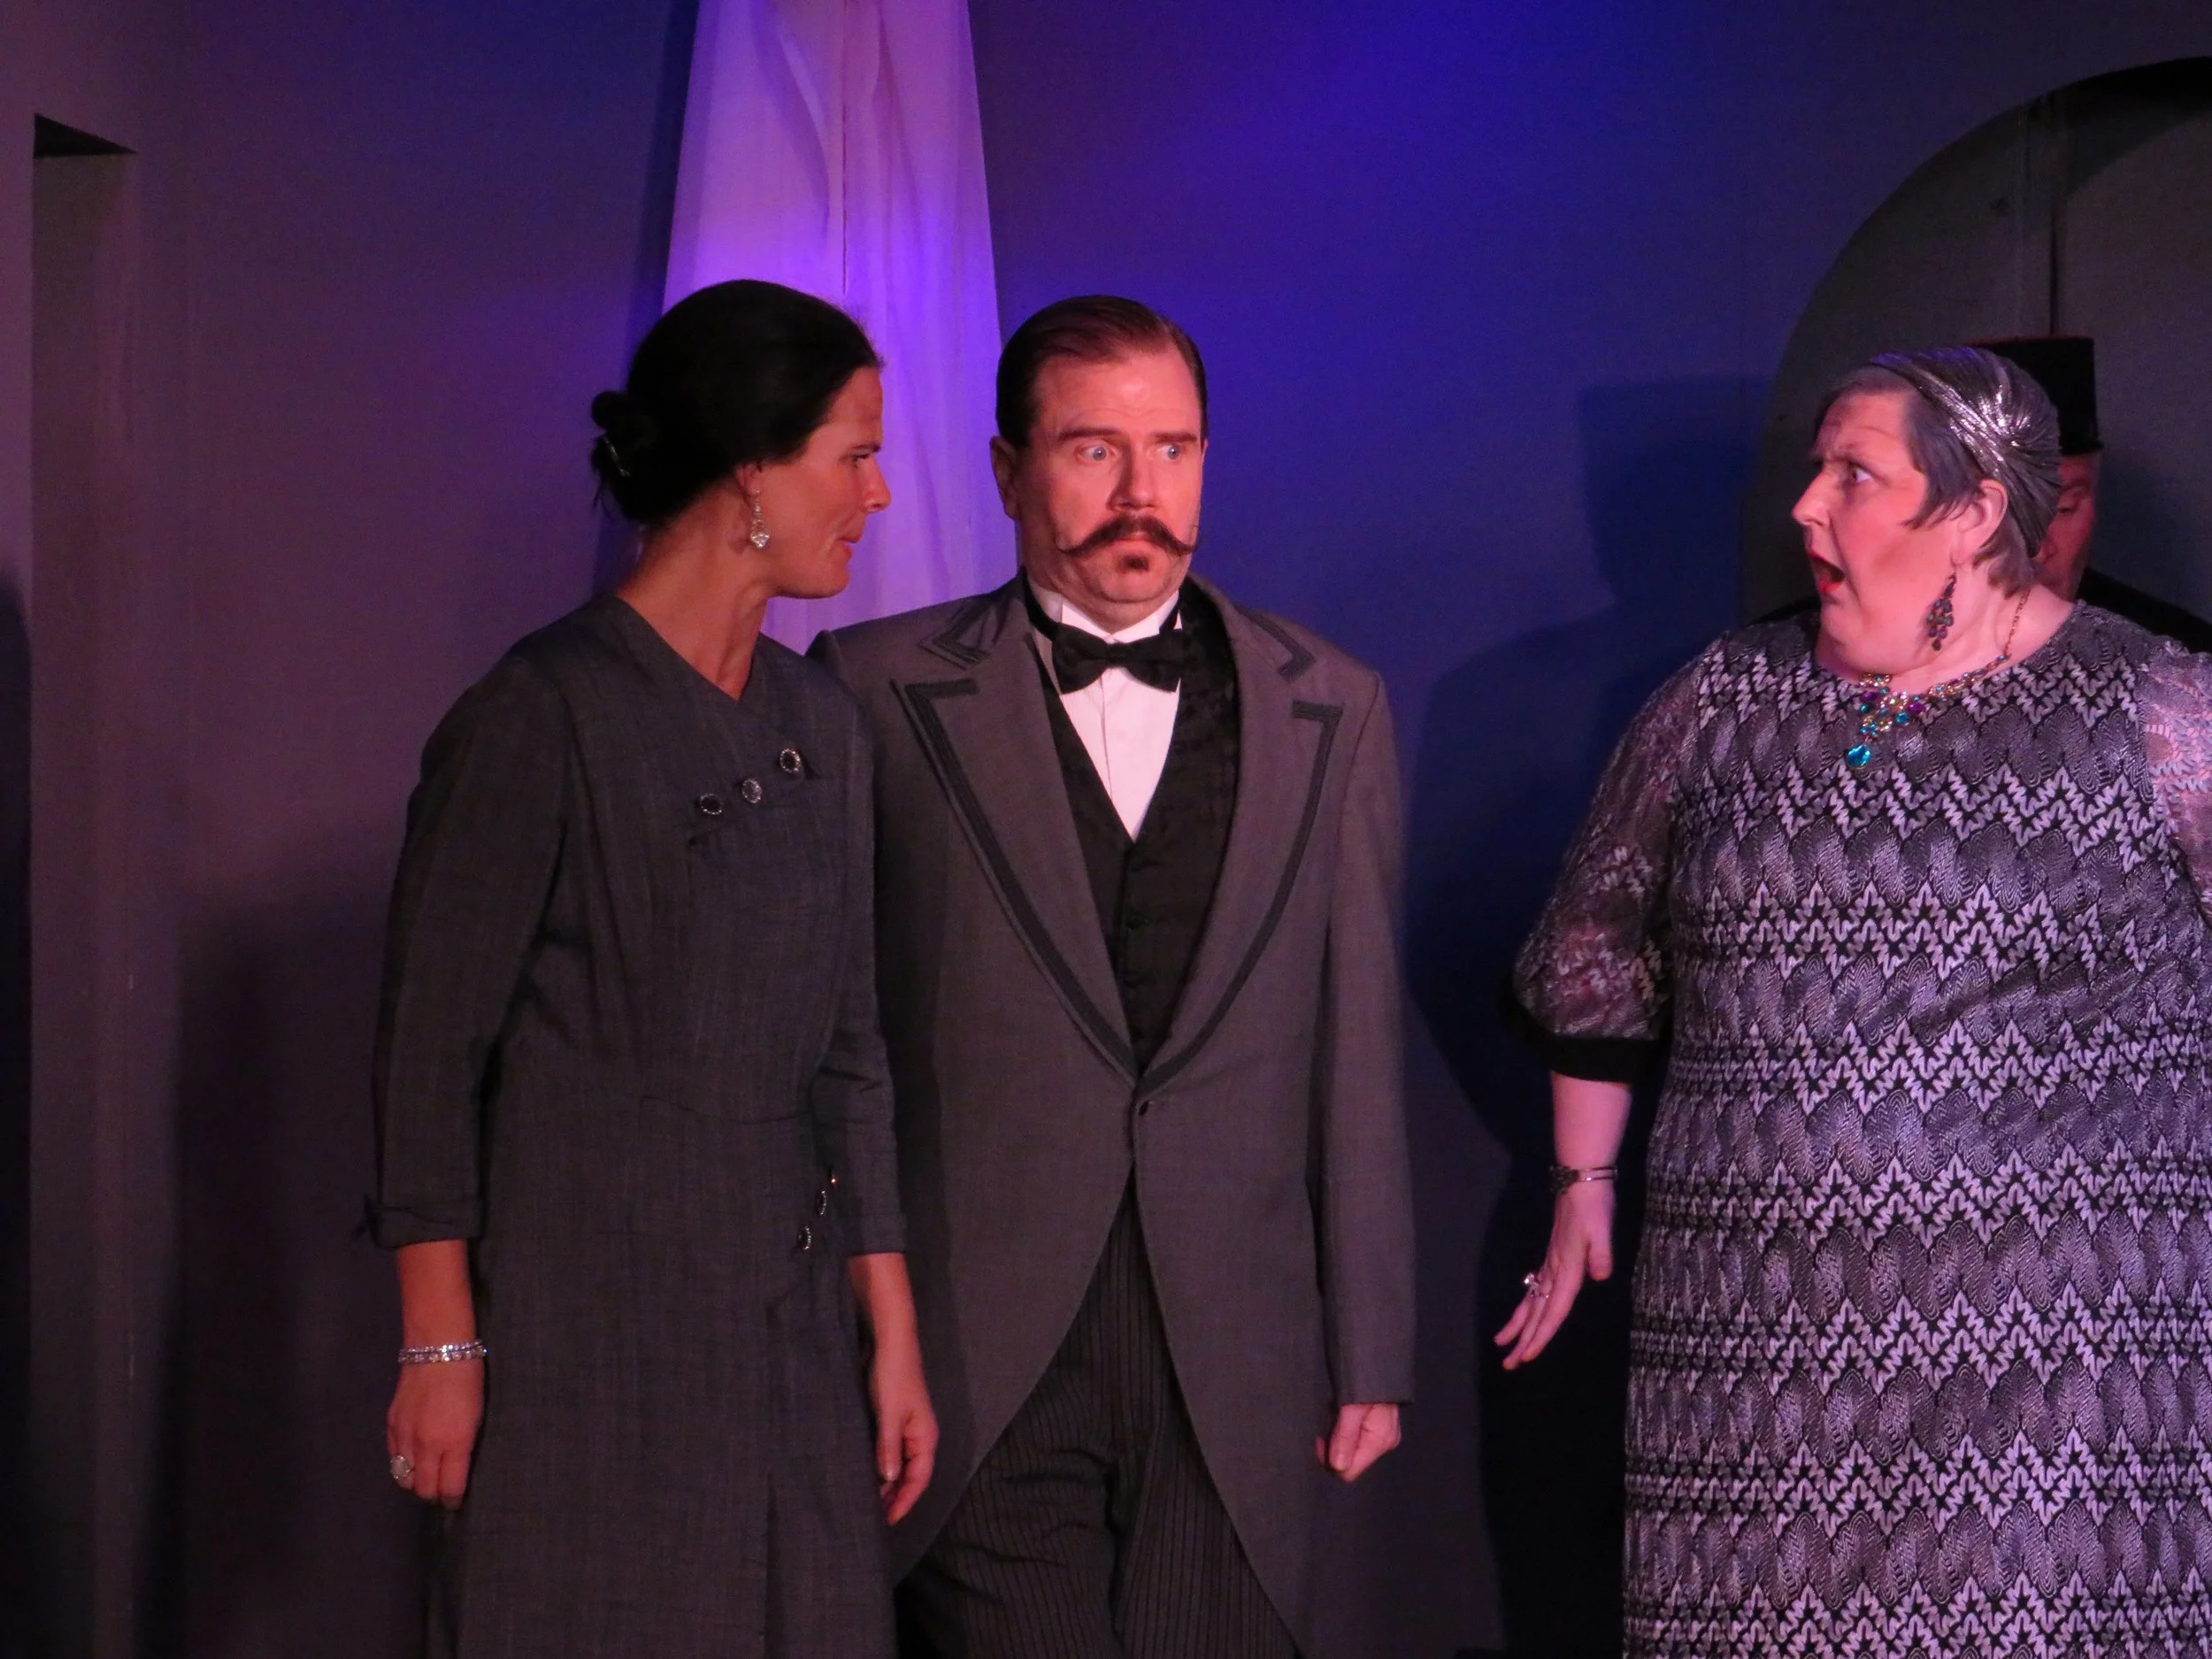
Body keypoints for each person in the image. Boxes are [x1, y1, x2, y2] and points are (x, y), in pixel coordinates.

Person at [1502, 344, 2212, 1655]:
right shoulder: (1722, 700)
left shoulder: (2157, 711)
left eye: (1855, 475)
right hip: (1752, 1363)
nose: (1806, 505)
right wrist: (1579, 1181)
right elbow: (1593, 943)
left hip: (2054, 1374)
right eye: (1814, 467)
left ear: (1976, 509)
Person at [813, 296, 1414, 1658]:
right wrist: (860, 1319)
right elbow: (840, 1039)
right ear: (1008, 469)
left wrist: (1372, 1342)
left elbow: (1357, 1045)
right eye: (1095, 450)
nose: (1143, 493)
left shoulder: (1333, 702)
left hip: (1237, 1353)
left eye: (1174, 450)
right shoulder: (875, 689)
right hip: (978, 1350)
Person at [371, 279, 935, 1657]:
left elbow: (851, 1052)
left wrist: (892, 1328)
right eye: (854, 454)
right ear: (752, 469)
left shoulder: (824, 722)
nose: (876, 493)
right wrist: (439, 1345)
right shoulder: (540, 714)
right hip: (582, 1335)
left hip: (787, 1337)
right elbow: (428, 1058)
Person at [1978, 333, 2212, 650]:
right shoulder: (1906, 655)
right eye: (2006, 510)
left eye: (2064, 508)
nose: (2038, 549)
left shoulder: (2178, 659)